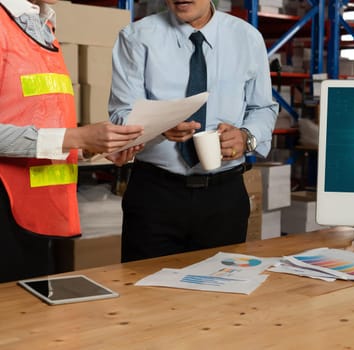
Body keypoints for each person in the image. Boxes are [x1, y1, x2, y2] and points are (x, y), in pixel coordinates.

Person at [110, 0, 278, 262]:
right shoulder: (136, 37)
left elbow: (263, 108)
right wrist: (159, 126)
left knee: (217, 296)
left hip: (224, 196)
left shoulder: (247, 38)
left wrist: (246, 136)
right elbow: (121, 115)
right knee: (144, 296)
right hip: (155, 194)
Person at [0, 0, 144, 283]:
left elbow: (38, 116)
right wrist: (77, 136)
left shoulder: (42, 25)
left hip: (36, 213)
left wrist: (92, 146)